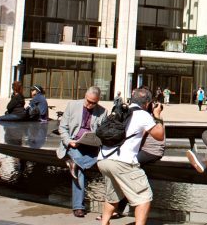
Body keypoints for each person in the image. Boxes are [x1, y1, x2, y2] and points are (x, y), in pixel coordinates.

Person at [98, 88, 164, 225]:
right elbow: (159, 135)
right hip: (123, 162)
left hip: (103, 159)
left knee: (113, 196)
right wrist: (157, 115)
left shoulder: (119, 111)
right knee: (144, 198)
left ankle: (104, 223)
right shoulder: (143, 115)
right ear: (147, 104)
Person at [56, 86, 107, 218]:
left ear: (98, 100)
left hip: (91, 146)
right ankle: (78, 207)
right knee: (80, 171)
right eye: (88, 101)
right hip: (73, 144)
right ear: (85, 96)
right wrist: (69, 141)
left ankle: (75, 163)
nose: (90, 105)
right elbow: (62, 128)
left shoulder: (102, 111)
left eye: (93, 103)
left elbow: (103, 133)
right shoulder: (72, 105)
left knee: (102, 160)